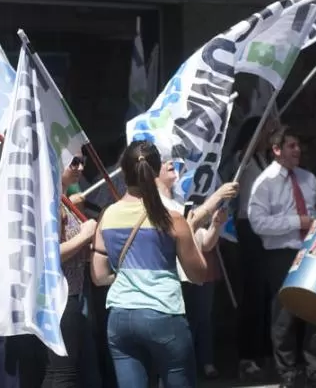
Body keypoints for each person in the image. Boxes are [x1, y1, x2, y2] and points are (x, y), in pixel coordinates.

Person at [90, 140, 220, 388]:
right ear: (155, 170)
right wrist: (191, 231)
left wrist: (123, 278)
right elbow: (198, 274)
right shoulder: (172, 218)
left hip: (119, 317)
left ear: (124, 172)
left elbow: (98, 276)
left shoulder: (106, 215)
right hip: (164, 314)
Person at [248, 125, 316, 388]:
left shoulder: (308, 179)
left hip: (308, 251)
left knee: (315, 310)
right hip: (280, 254)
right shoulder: (264, 183)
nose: (297, 151)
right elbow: (258, 223)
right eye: (291, 146)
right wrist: (298, 221)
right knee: (284, 315)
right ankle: (287, 372)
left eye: (298, 146)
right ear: (276, 149)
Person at [156, 159, 238, 380]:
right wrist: (218, 195)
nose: (172, 163)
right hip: (167, 281)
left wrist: (216, 225)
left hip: (187, 278)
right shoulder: (154, 203)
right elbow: (185, 225)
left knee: (192, 329)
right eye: (165, 162)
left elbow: (202, 242)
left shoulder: (179, 201)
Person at [38, 155, 101, 388]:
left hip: (70, 292)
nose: (81, 167)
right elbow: (50, 254)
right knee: (62, 372)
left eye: (82, 161)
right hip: (59, 295)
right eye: (74, 162)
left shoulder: (62, 200)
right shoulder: (52, 201)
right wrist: (85, 235)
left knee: (62, 369)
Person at [228, 117, 277, 381]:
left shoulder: (267, 161)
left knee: (268, 293)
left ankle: (265, 352)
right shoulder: (242, 159)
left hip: (266, 227)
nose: (270, 137)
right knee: (253, 293)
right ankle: (246, 356)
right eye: (265, 132)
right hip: (247, 228)